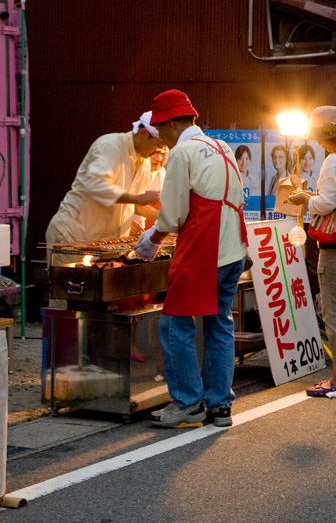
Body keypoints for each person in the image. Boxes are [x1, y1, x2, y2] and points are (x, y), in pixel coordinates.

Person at [136, 90, 248, 429]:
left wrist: (150, 241)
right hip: (234, 247)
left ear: (171, 124)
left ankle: (186, 402)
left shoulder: (182, 152)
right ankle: (220, 404)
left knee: (174, 325)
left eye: (159, 131)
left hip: (205, 246)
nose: (160, 140)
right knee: (219, 323)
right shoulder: (221, 146)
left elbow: (172, 216)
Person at [287, 107, 336, 399]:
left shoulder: (334, 160)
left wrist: (306, 197)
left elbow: (326, 204)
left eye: (320, 137)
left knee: (333, 314)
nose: (318, 143)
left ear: (329, 136)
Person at [45, 111, 165, 264]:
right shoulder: (110, 145)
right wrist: (138, 198)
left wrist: (163, 218)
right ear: (142, 133)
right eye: (157, 145)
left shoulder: (144, 160)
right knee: (75, 286)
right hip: (74, 237)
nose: (156, 152)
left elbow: (135, 205)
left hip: (105, 244)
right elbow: (97, 187)